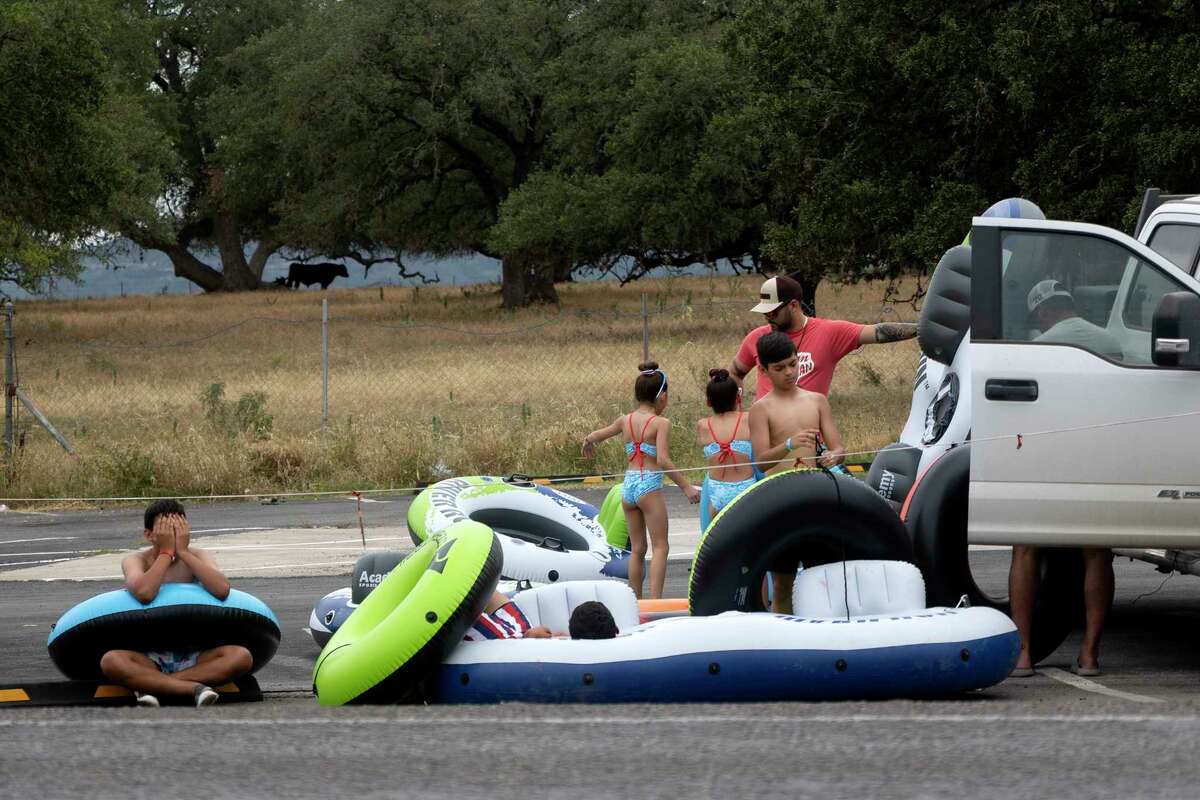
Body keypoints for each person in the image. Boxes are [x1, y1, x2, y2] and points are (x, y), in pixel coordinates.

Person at [1009, 280, 1119, 677]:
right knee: (1096, 553)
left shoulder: (1037, 345)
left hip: (1046, 453)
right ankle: (1089, 655)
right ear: (1070, 305)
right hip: (1097, 453)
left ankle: (1022, 654)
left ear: (1041, 312)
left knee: (1025, 549)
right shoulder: (1109, 341)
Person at [99, 500, 253, 708]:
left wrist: (184, 553)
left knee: (241, 656)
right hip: (148, 655)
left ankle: (151, 686)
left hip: (195, 653)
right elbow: (144, 592)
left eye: (177, 530)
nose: (172, 536)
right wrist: (166, 553)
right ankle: (194, 689)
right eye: (165, 531)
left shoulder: (197, 556)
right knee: (111, 661)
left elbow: (222, 589)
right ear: (148, 535)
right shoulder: (136, 560)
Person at [582, 361, 701, 599]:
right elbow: (664, 460)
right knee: (660, 547)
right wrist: (686, 487)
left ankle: (636, 600)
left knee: (637, 550)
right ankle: (655, 601)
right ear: (662, 396)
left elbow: (596, 435)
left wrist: (588, 442)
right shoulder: (660, 423)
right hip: (648, 486)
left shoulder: (624, 420)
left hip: (629, 485)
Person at [748, 332, 846, 615]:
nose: (789, 372)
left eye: (793, 364)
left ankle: (826, 636)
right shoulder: (760, 409)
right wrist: (788, 445)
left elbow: (838, 447)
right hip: (781, 500)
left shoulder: (816, 401)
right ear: (763, 370)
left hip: (815, 495)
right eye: (779, 368)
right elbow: (762, 463)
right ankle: (783, 641)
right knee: (782, 581)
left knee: (824, 576)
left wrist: (832, 456)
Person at [731, 274, 918, 400]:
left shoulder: (828, 332)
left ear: (793, 306)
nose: (766, 317)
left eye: (772, 312)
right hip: (764, 440)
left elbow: (878, 332)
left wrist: (922, 329)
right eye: (765, 312)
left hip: (808, 440)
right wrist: (738, 408)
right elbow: (735, 373)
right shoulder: (757, 337)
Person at [696, 368, 756, 521]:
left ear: (708, 402)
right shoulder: (747, 419)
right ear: (737, 398)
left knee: (716, 538)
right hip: (746, 490)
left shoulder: (703, 425)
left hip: (718, 492)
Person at [1026, 279, 1124, 360]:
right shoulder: (1111, 340)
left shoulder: (1039, 347)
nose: (1038, 324)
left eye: (1035, 318)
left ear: (1042, 312)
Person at [464, 592, 618, 640]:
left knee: (468, 600)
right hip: (520, 629)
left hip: (505, 640)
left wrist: (529, 637)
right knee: (488, 592)